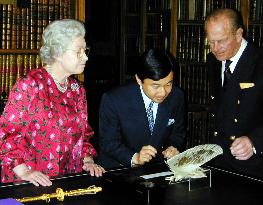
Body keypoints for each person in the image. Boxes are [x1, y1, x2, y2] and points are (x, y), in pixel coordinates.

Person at [0, 19, 105, 186]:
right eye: (78, 51)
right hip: (29, 181)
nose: (85, 57)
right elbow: (6, 134)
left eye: (85, 50)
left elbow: (83, 134)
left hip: (65, 179)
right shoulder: (29, 85)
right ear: (57, 52)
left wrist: (88, 160)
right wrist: (24, 172)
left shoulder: (77, 90)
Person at [98, 48, 185, 169]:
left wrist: (173, 147)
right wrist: (135, 157)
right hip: (120, 170)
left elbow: (178, 132)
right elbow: (108, 142)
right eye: (155, 86)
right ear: (139, 79)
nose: (163, 92)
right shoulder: (114, 100)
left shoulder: (177, 96)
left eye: (168, 84)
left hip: (158, 169)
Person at [205, 8, 263, 178]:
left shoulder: (259, 62)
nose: (215, 48)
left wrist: (255, 142)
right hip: (220, 158)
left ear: (238, 34)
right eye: (210, 42)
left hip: (254, 164)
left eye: (221, 41)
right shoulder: (213, 61)